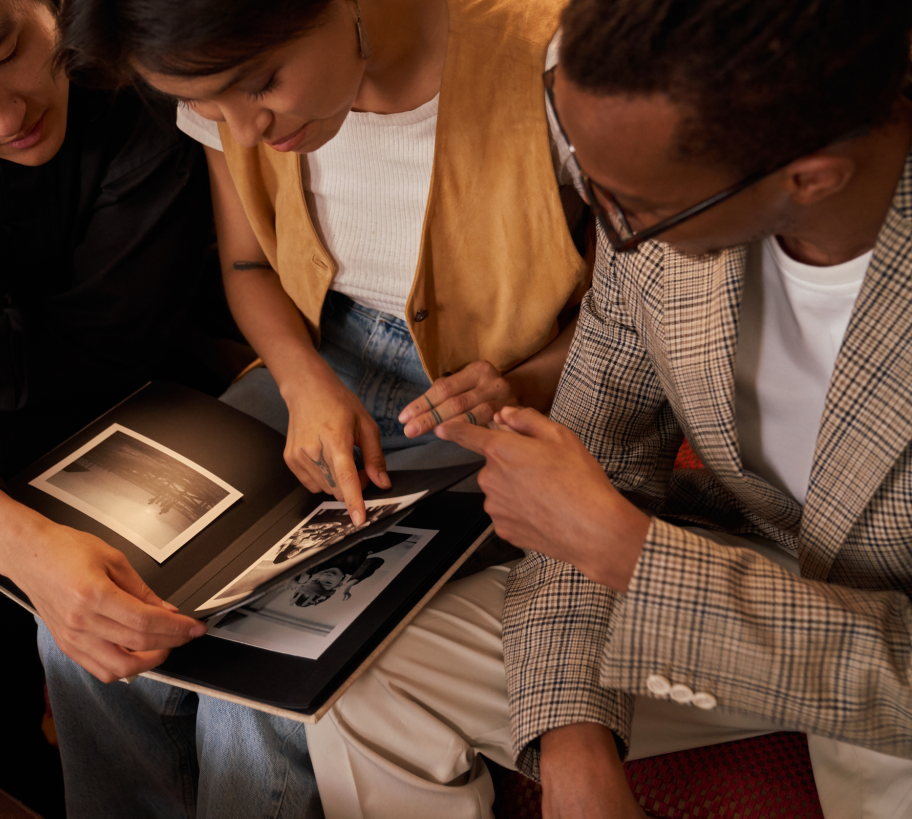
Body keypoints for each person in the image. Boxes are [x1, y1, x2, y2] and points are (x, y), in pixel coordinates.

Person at [299, 0, 912, 817]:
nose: (611, 228)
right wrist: (573, 735)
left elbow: (596, 524)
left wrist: (624, 550)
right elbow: (592, 470)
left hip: (890, 663)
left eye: (634, 205)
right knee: (365, 679)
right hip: (740, 568)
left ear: (810, 174)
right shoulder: (650, 198)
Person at [38, 0, 590, 815]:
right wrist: (303, 381)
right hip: (316, 367)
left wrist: (532, 379)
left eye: (260, 83)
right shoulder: (224, 100)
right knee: (84, 625)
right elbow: (247, 265)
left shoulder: (547, 54)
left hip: (501, 403)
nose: (244, 130)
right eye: (204, 105)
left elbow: (638, 303)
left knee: (256, 688)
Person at [0, 0, 230, 812]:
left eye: (8, 50)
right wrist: (0, 527)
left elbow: (110, 333)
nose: (4, 114)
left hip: (158, 384)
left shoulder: (142, 62)